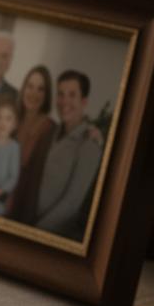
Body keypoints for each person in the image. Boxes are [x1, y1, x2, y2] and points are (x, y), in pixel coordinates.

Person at [35, 70, 102, 239]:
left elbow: (71, 204)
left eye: (72, 95)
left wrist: (34, 231)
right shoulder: (50, 131)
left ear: (84, 101)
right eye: (61, 94)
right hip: (28, 219)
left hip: (51, 236)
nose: (65, 101)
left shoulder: (90, 144)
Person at [6, 65, 56, 224]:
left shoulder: (50, 128)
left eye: (40, 89)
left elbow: (36, 183)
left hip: (21, 209)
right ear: (23, 88)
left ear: (46, 95)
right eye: (30, 86)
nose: (34, 94)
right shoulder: (12, 118)